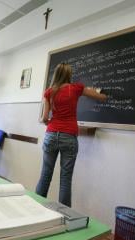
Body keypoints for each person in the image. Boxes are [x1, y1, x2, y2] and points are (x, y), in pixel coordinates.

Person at [35, 63, 107, 207]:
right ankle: (65, 215)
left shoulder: (49, 92)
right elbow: (101, 97)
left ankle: (35, 209)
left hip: (51, 134)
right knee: (65, 179)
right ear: (69, 75)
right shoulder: (76, 88)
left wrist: (50, 123)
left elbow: (44, 118)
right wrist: (103, 94)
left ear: (56, 74)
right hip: (69, 136)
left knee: (45, 175)